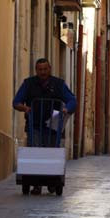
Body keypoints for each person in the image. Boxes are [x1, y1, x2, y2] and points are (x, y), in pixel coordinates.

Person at [13, 58, 76, 195]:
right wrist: (25, 108)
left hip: (53, 127)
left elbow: (72, 100)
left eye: (45, 69)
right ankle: (36, 185)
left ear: (50, 69)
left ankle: (52, 181)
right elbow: (16, 102)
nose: (43, 72)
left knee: (52, 153)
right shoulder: (28, 83)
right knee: (35, 152)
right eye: (40, 69)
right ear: (36, 70)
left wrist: (66, 109)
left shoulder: (59, 84)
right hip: (34, 125)